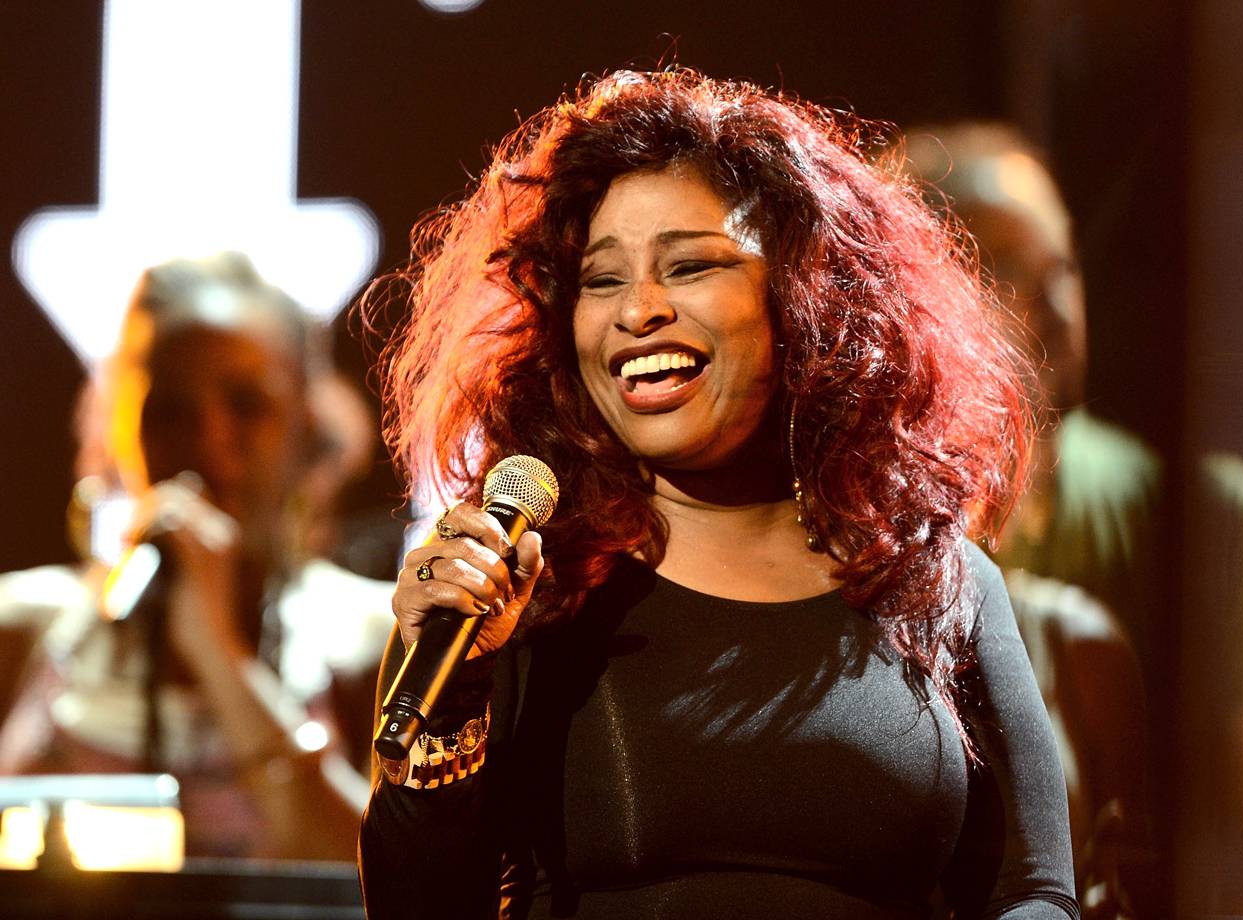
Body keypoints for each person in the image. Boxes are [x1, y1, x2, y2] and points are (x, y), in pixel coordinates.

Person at [357, 70, 1077, 919]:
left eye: (688, 265)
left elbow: (1032, 891)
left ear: (806, 298)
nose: (638, 311)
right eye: (601, 279)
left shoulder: (934, 579)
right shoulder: (520, 587)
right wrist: (456, 696)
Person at [905, 123, 1243, 916]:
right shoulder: (866, 532)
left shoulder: (1215, 523)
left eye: (1063, 264)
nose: (1054, 301)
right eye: (1004, 272)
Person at [0, 252, 394, 861]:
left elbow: (389, 876)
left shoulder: (373, 641)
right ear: (116, 426)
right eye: (169, 409)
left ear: (304, 430)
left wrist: (220, 653)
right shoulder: (25, 632)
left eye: (246, 405)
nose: (207, 440)